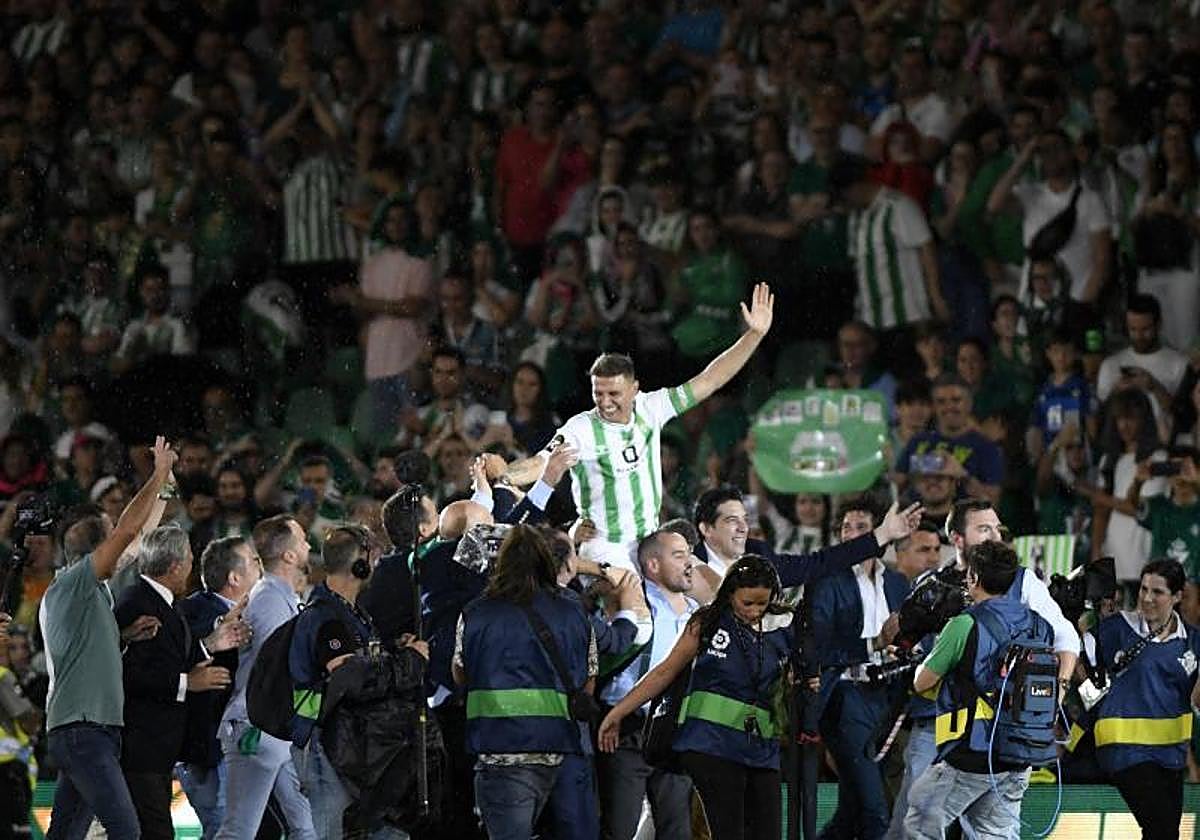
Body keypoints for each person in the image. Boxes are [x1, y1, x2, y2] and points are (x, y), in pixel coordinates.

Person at [492, 283, 775, 572]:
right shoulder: (582, 429)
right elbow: (541, 463)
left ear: (634, 389)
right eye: (597, 393)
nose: (605, 402)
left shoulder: (651, 408)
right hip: (605, 548)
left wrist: (753, 336)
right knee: (636, 606)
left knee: (707, 591)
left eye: (613, 394)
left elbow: (710, 380)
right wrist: (504, 477)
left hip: (649, 543)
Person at [597, 555, 793, 840]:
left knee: (769, 833)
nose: (754, 611)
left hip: (762, 749)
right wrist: (618, 713)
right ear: (729, 595)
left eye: (761, 604)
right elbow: (664, 672)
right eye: (746, 603)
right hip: (711, 746)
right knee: (730, 832)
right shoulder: (708, 623)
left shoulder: (782, 630)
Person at [40, 436, 174, 840]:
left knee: (65, 834)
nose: (122, 537)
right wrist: (158, 473)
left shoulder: (88, 592)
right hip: (84, 732)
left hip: (86, 732)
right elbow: (133, 528)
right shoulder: (75, 583)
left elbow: (142, 533)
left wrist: (166, 485)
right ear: (96, 550)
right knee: (126, 831)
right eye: (111, 534)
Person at [452, 524, 595, 840]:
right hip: (564, 748)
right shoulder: (573, 608)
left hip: (501, 751)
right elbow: (590, 672)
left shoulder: (475, 612)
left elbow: (460, 672)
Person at [904, 541, 1055, 839]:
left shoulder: (964, 624)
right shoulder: (1040, 625)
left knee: (921, 822)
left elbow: (922, 683)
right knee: (995, 835)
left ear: (972, 577)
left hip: (972, 754)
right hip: (1022, 752)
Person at [114, 526, 251, 840]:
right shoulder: (136, 603)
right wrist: (186, 682)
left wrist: (211, 644)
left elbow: (171, 656)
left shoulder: (163, 601)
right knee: (154, 832)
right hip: (141, 744)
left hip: (160, 746)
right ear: (175, 565)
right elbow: (124, 674)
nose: (192, 566)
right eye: (189, 559)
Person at [291, 523, 419, 839]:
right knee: (331, 832)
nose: (376, 565)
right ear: (360, 564)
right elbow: (350, 678)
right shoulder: (327, 616)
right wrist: (409, 661)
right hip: (325, 745)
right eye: (372, 558)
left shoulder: (350, 612)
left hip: (349, 743)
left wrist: (392, 651)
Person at [808, 496, 910, 840]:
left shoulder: (897, 583)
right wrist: (873, 644)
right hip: (844, 697)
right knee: (875, 811)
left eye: (861, 527)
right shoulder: (826, 580)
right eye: (845, 528)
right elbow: (817, 646)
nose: (851, 534)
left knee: (851, 812)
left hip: (887, 697)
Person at [215, 516, 317, 840]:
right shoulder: (270, 600)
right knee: (238, 831)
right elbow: (278, 670)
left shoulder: (279, 596)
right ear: (288, 555)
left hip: (278, 732)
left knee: (307, 827)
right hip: (256, 731)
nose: (309, 545)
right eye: (302, 540)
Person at [1084, 558, 1200, 839]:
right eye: (1143, 589)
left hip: (1169, 755)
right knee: (1160, 828)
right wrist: (1090, 690)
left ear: (1177, 596)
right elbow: (1074, 652)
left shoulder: (1193, 642)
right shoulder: (1118, 627)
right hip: (1124, 750)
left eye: (1157, 592)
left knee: (1166, 833)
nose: (1147, 598)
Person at [596, 528, 698, 840]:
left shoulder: (697, 613)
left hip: (674, 732)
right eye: (678, 555)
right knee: (620, 828)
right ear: (652, 565)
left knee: (676, 829)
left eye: (688, 554)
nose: (689, 562)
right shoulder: (633, 603)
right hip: (626, 729)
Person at [176, 536, 263, 840]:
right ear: (234, 578)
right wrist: (218, 627)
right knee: (223, 827)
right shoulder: (193, 608)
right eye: (254, 560)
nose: (260, 567)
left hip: (245, 743)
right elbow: (183, 643)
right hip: (207, 749)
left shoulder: (258, 610)